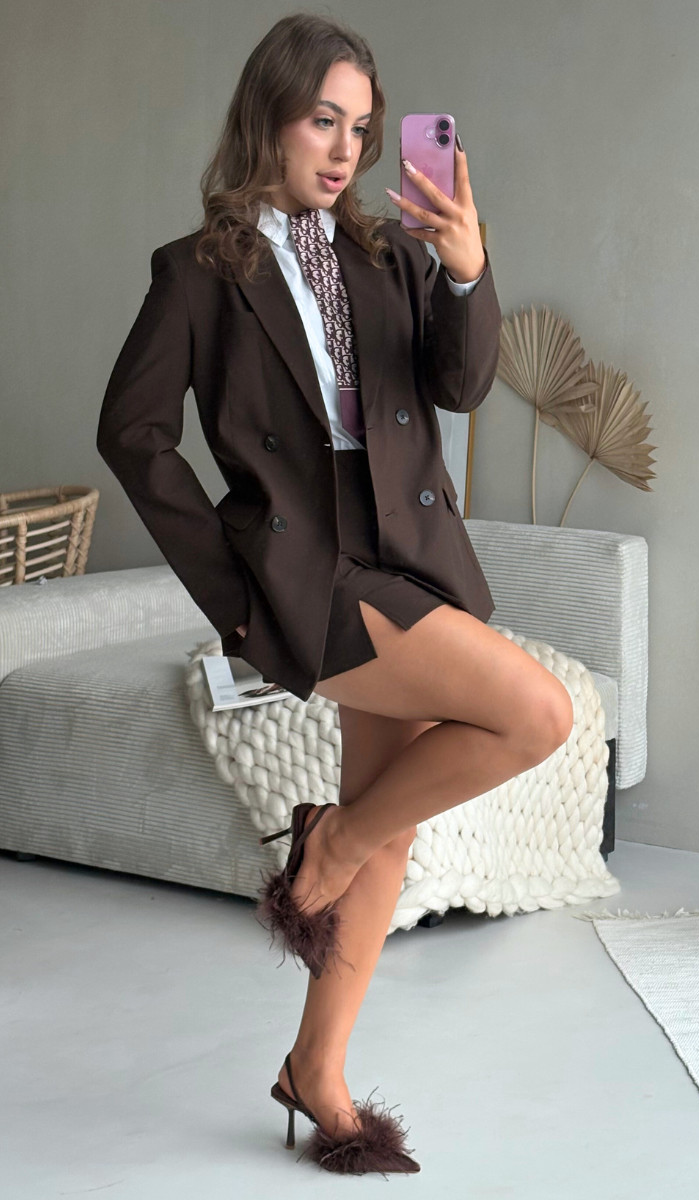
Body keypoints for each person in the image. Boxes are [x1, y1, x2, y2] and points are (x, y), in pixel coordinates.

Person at [96, 12, 573, 1177]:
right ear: (270, 114)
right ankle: (326, 842)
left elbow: (460, 383)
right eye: (324, 120)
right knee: (536, 713)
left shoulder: (390, 254)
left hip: (410, 549)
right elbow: (133, 434)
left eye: (361, 129)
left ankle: (315, 1068)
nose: (344, 148)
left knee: (389, 826)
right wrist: (230, 591)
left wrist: (465, 267)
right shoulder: (197, 272)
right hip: (311, 569)